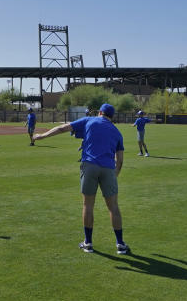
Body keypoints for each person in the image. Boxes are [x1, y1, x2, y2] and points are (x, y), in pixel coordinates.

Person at [33, 103, 129, 254]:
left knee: (88, 205)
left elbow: (62, 128)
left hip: (89, 166)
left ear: (100, 112)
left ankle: (88, 243)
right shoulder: (117, 132)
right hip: (108, 168)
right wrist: (114, 174)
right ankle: (120, 244)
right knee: (113, 207)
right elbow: (120, 159)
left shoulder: (89, 120)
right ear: (111, 116)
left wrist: (42, 136)